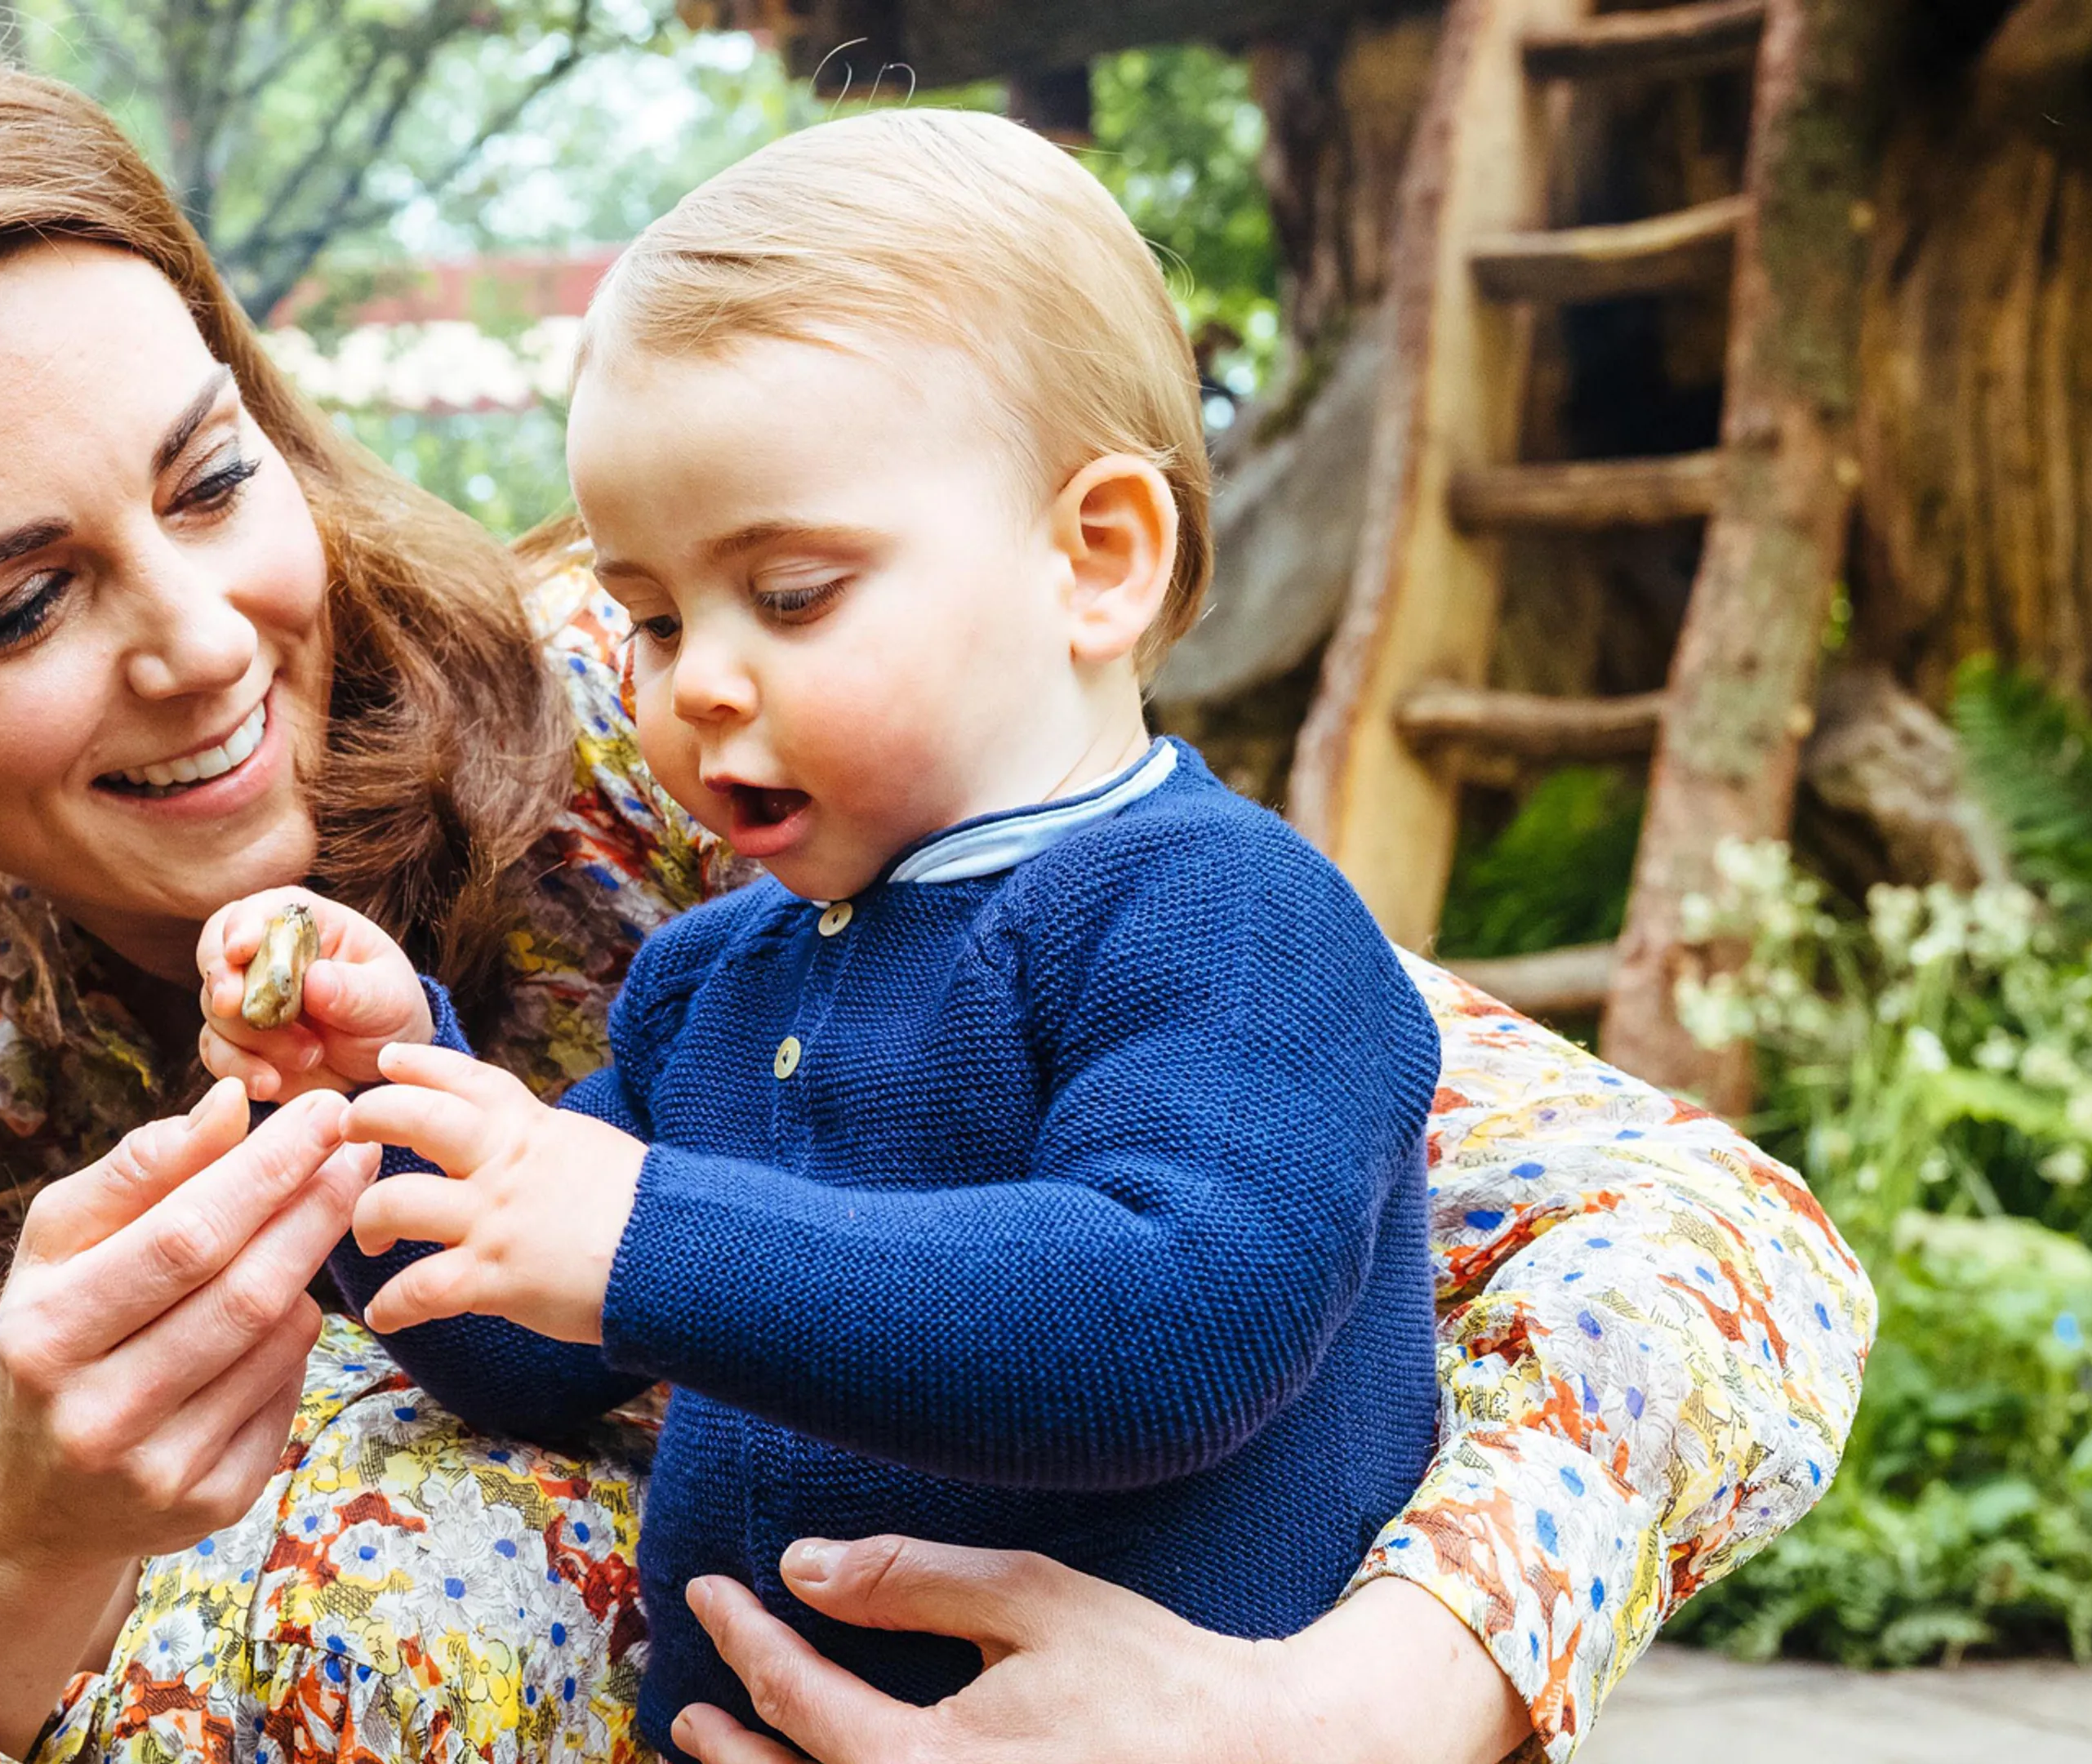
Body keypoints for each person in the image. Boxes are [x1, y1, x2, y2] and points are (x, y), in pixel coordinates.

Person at [0, 49, 1872, 1764]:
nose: (199, 639)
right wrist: (31, 1497)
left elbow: (1698, 1238)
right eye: (16, 610)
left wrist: (1371, 1701)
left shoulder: (735, 747)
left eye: (212, 481)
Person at [194, 109, 1446, 1758]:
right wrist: (376, 1107)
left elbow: (1180, 1323)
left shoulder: (1222, 913)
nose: (692, 680)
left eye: (789, 595)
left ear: (1098, 561)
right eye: (649, 615)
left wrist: (645, 1236)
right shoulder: (715, 982)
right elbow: (520, 1346)